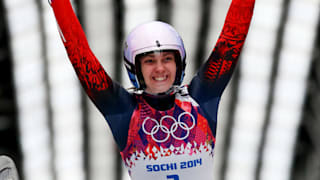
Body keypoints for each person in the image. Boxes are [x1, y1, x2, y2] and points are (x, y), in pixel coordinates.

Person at [49, 0, 255, 179]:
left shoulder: (201, 98)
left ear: (179, 63)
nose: (160, 68)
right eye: (149, 61)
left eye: (167, 59)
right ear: (134, 68)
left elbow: (232, 37)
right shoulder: (123, 111)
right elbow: (80, 54)